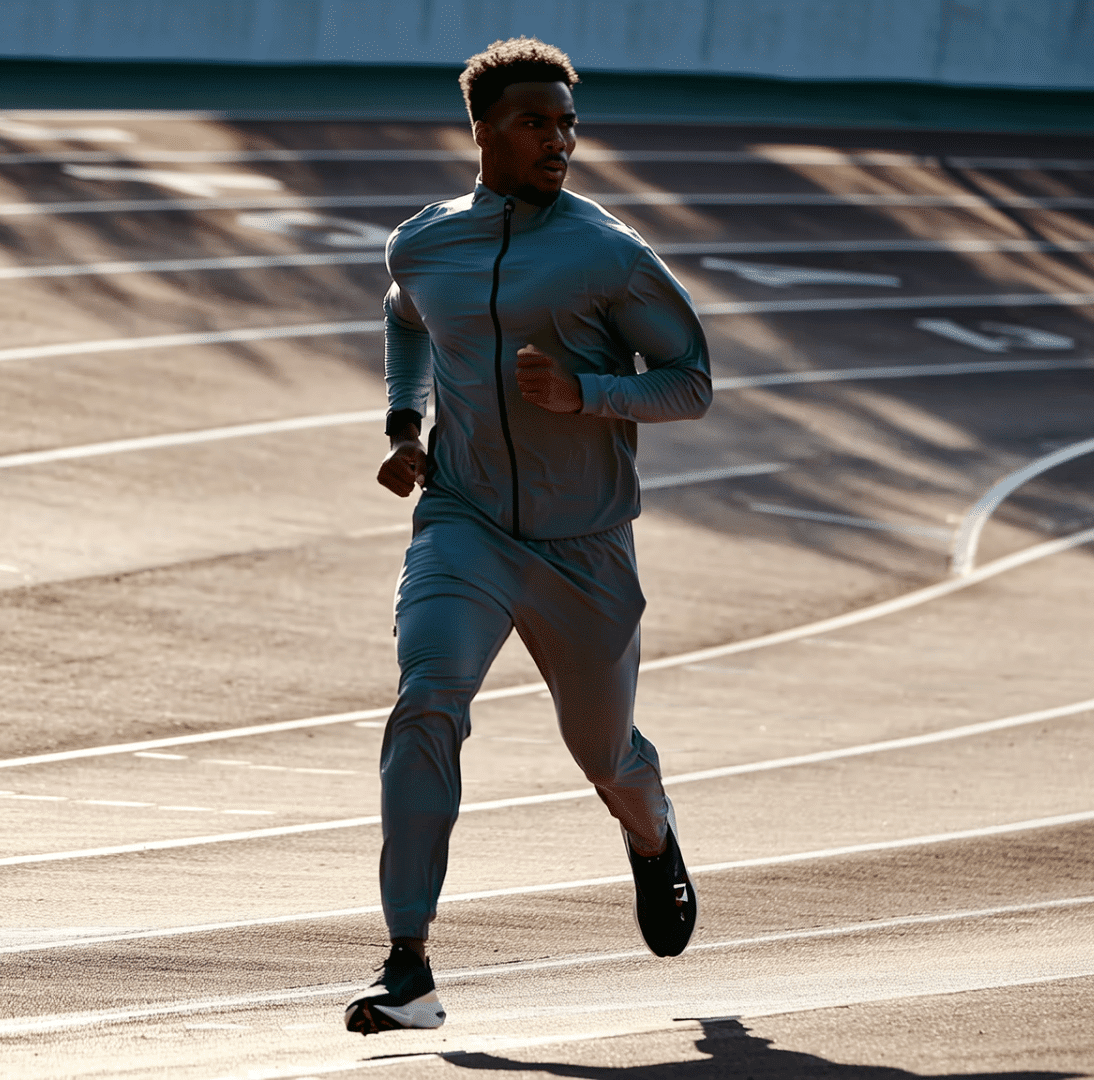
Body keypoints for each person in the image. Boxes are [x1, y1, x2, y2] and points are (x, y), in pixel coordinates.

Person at [344, 37, 713, 1036]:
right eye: (536, 123)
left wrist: (586, 392)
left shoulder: (608, 253)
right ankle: (409, 966)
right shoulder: (424, 242)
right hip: (461, 526)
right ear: (483, 132)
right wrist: (402, 428)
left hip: (583, 550)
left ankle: (651, 832)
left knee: (603, 753)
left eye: (568, 125)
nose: (560, 141)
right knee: (427, 703)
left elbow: (692, 381)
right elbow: (406, 314)